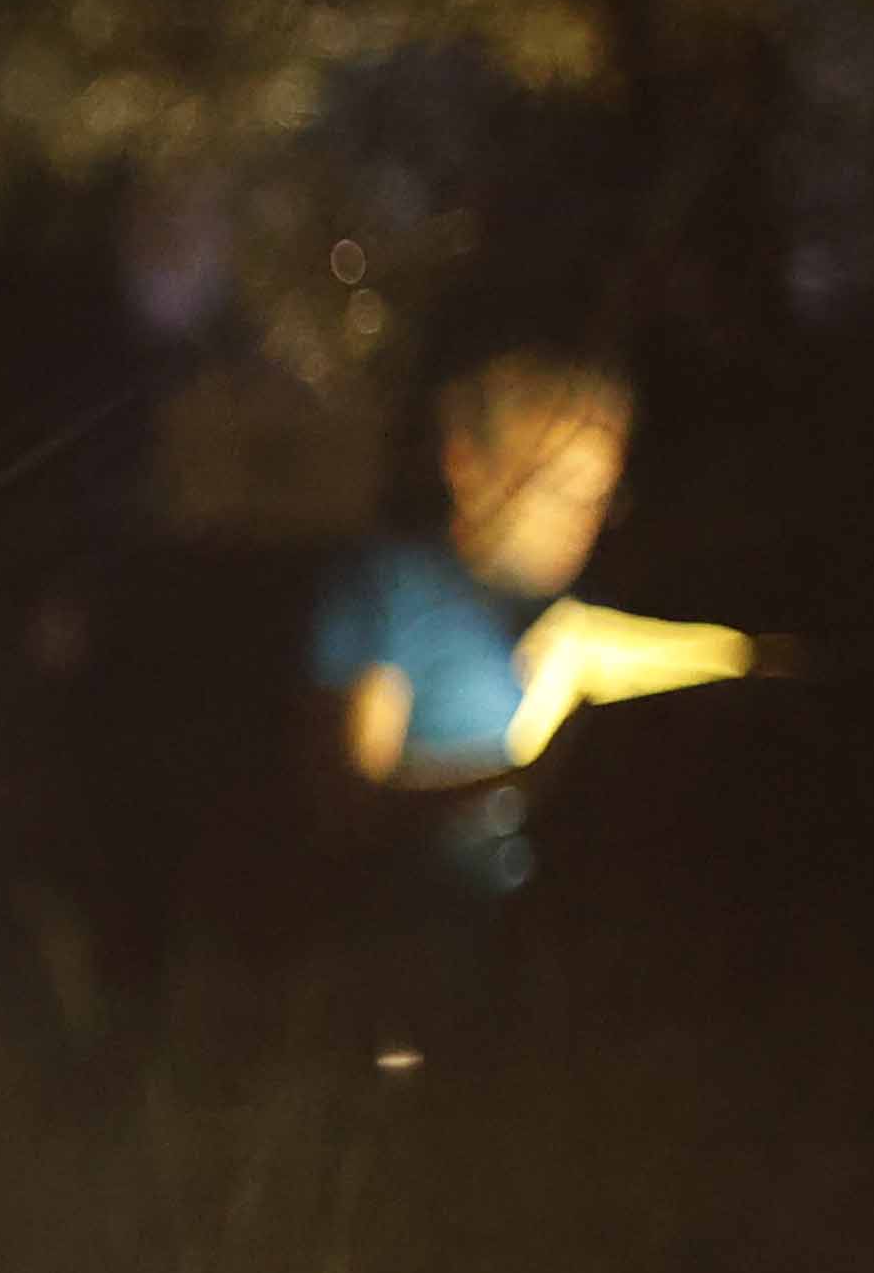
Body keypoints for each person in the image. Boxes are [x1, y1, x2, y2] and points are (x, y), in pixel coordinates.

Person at [311, 349, 759, 899]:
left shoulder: (570, 615)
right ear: (466, 464)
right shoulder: (392, 590)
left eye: (598, 496)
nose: (581, 521)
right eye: (556, 488)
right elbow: (352, 809)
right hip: (416, 922)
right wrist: (534, 779)